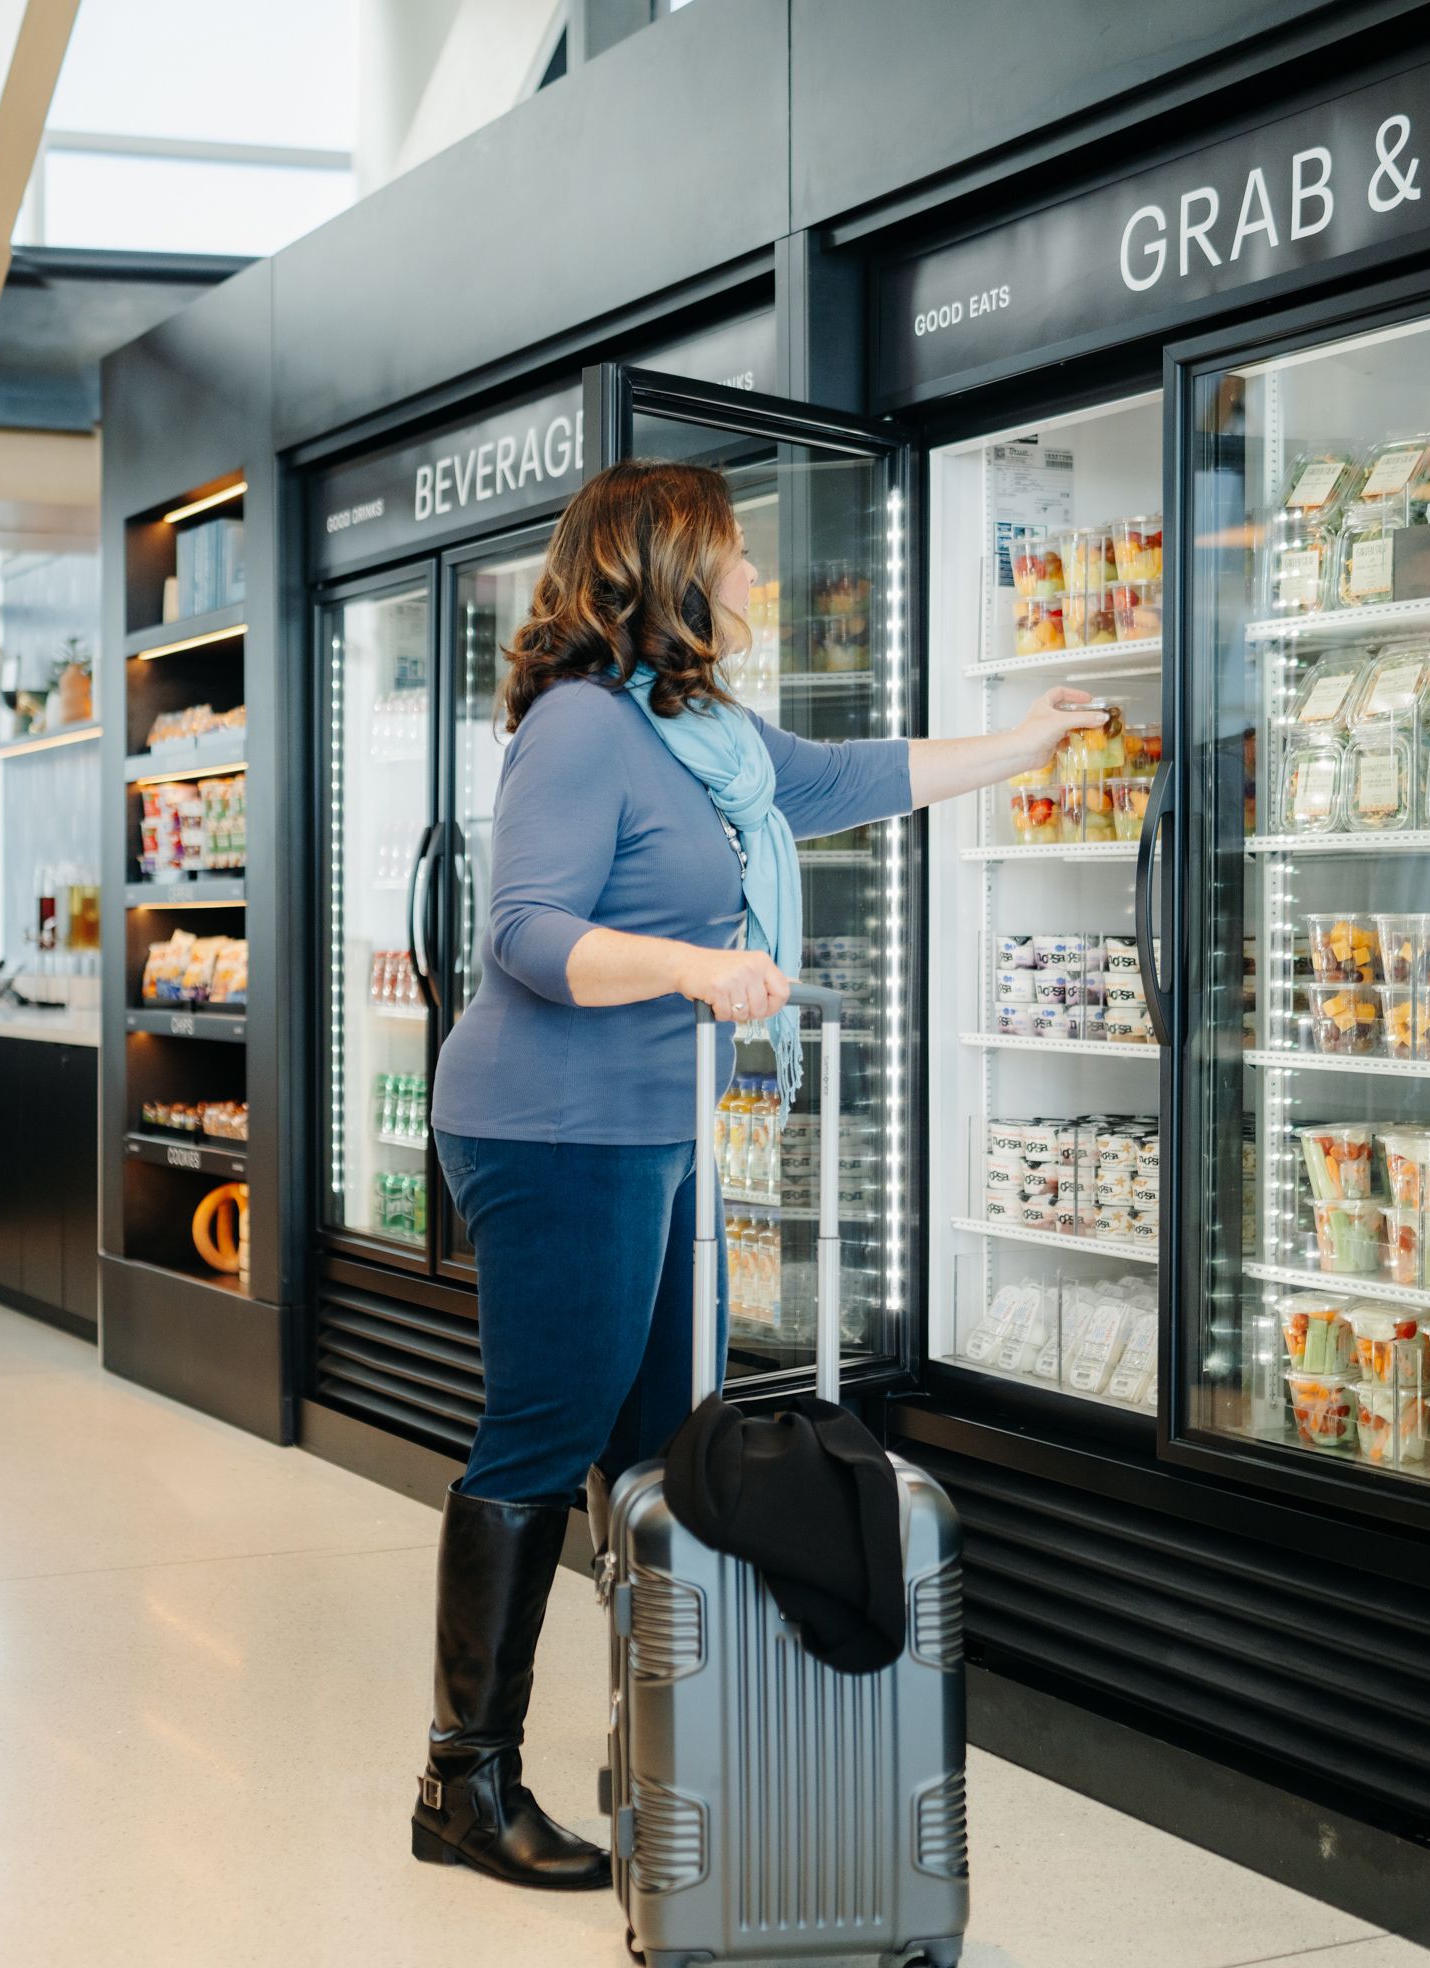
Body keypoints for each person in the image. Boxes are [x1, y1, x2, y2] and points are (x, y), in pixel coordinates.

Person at [410, 457, 1106, 1888]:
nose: (758, 585)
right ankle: (462, 1785)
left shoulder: (701, 735)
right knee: (544, 1441)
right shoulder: (581, 732)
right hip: (551, 1127)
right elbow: (528, 939)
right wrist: (699, 968)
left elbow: (858, 778)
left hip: (650, 1124)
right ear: (663, 573)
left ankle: (669, 1745)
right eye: (735, 559)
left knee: (663, 1447)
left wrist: (1024, 742)